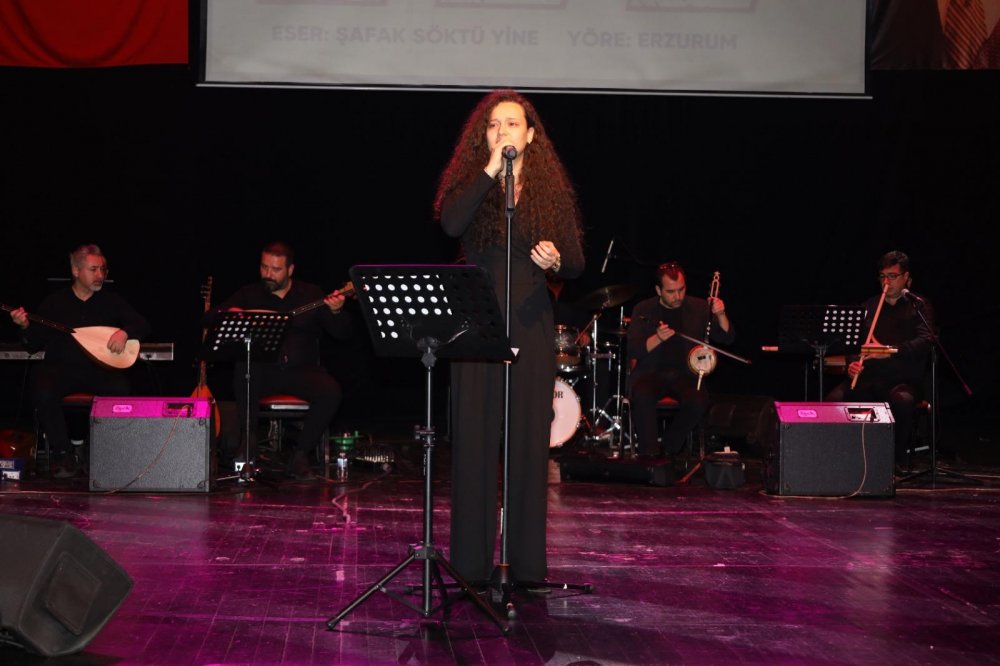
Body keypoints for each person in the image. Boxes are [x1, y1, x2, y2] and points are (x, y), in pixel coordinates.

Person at [434, 88, 585, 585]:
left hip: (530, 318)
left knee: (526, 442)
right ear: (484, 137)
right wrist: (489, 171)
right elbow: (450, 224)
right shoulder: (475, 184)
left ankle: (526, 565)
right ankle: (470, 565)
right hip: (477, 317)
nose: (503, 132)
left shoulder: (548, 193)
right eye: (494, 125)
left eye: (513, 124)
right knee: (474, 438)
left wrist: (556, 260)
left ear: (531, 135)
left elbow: (576, 262)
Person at [210, 241, 351, 481]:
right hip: (264, 371)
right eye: (264, 267)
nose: (268, 274)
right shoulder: (249, 294)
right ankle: (248, 443)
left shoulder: (311, 294)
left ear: (290, 270)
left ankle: (300, 455)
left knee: (331, 391)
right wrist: (231, 313)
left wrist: (336, 312)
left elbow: (342, 334)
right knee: (244, 368)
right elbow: (211, 317)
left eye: (276, 269)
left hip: (301, 371)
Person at [7, 244, 150, 479]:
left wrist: (125, 333)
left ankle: (100, 454)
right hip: (60, 369)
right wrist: (24, 326)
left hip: (98, 370)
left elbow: (142, 324)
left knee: (120, 387)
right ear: (76, 271)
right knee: (43, 388)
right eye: (93, 270)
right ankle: (62, 453)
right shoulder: (54, 302)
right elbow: (32, 345)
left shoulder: (111, 301)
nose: (100, 275)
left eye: (103, 269)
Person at [826, 250, 935, 466]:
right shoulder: (869, 306)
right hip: (869, 377)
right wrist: (852, 364)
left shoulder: (919, 306)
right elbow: (854, 344)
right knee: (832, 403)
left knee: (902, 402)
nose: (887, 282)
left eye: (892, 276)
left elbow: (926, 341)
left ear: (906, 277)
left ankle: (895, 462)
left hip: (903, 379)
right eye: (883, 276)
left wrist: (887, 351)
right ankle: (839, 460)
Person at [626, 262, 734, 461]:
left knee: (699, 400)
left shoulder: (699, 308)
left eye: (681, 289)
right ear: (658, 290)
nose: (677, 296)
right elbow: (633, 349)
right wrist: (657, 338)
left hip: (686, 375)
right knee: (641, 394)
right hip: (652, 373)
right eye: (671, 291)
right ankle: (649, 454)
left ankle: (669, 447)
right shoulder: (643, 309)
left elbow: (726, 338)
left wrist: (720, 315)